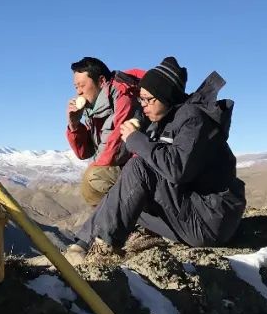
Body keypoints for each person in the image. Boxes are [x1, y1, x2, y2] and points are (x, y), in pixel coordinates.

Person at [77, 56, 246, 259]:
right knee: (124, 191)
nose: (144, 105)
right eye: (142, 99)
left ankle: (102, 249)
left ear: (166, 97)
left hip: (209, 221)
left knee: (138, 166)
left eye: (149, 99)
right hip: (195, 212)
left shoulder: (194, 120)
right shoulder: (165, 120)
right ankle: (81, 244)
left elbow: (177, 169)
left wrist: (136, 139)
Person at [65, 57, 143, 207]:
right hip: (125, 166)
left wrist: (95, 167)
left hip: (139, 166)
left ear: (101, 81)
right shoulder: (94, 109)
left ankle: (138, 220)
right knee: (91, 183)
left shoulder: (124, 96)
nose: (79, 92)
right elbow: (84, 152)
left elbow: (118, 146)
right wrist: (74, 124)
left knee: (94, 177)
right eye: (76, 87)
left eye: (81, 85)